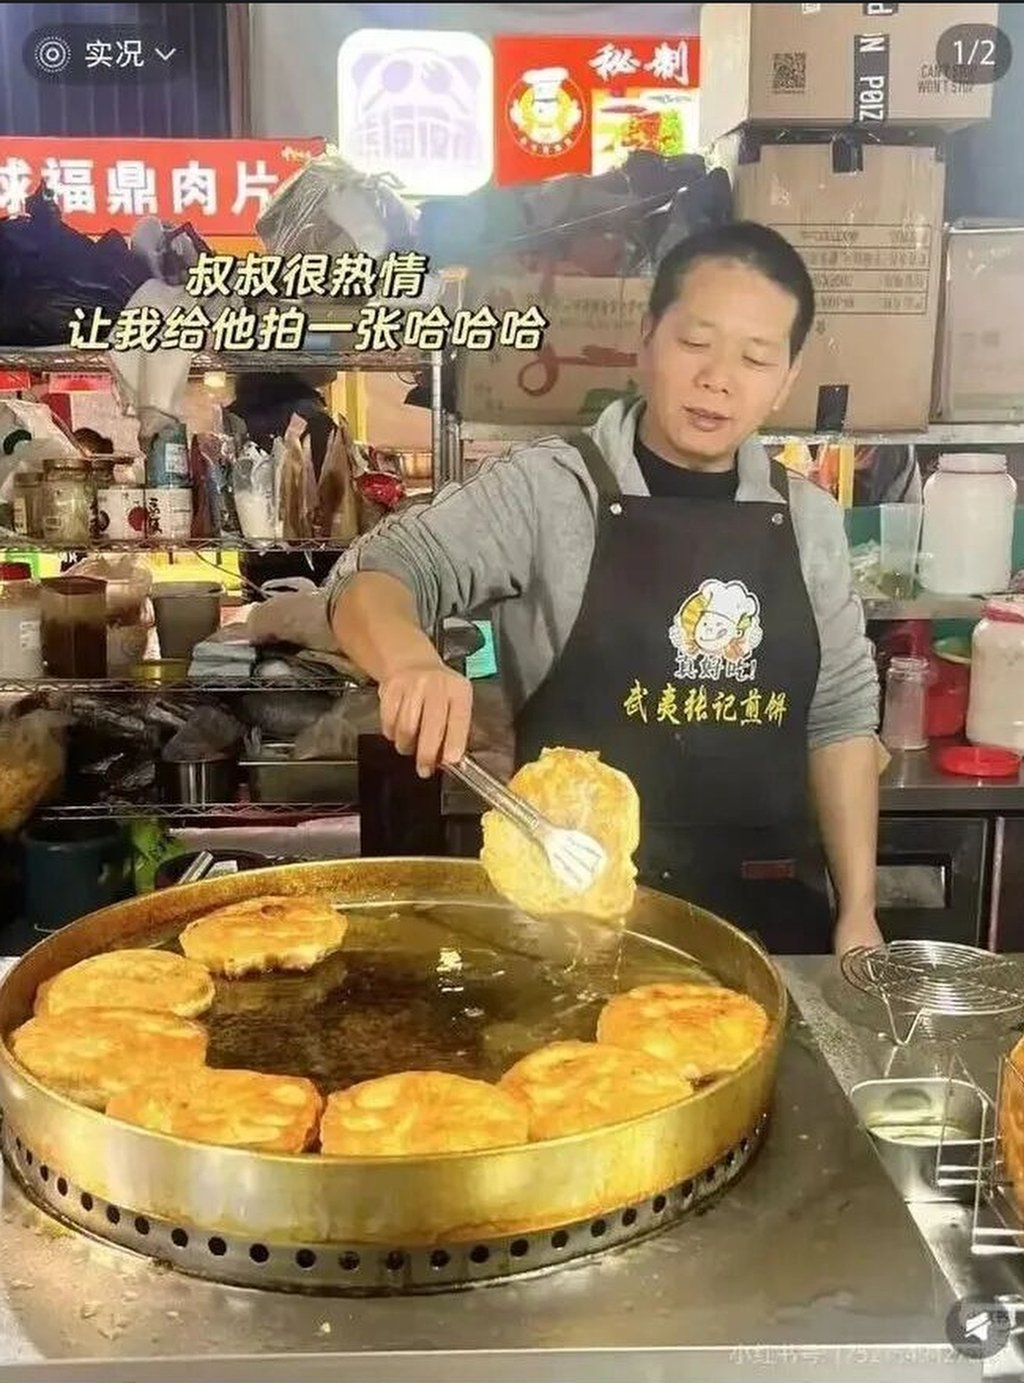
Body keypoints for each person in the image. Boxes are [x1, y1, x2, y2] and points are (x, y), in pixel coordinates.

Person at [326, 222, 883, 958]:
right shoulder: (552, 489)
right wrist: (410, 661)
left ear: (786, 376)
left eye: (755, 357)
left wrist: (859, 913)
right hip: (573, 921)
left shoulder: (807, 518)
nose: (719, 377)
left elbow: (839, 721)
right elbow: (373, 575)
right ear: (646, 339)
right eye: (695, 343)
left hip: (770, 928)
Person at [225, 370, 342, 595]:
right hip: (318, 557)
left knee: (264, 618)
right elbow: (334, 492)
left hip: (258, 555)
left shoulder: (236, 422)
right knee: (312, 621)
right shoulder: (317, 421)